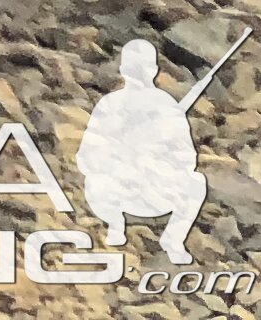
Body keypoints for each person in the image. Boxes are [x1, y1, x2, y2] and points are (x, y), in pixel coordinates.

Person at [76, 38, 208, 264]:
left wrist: (159, 161)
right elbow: (87, 157)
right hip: (117, 191)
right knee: (96, 182)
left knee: (196, 182)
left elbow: (187, 157)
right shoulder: (111, 105)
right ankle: (116, 225)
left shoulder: (165, 105)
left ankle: (172, 240)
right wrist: (118, 161)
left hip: (154, 189)